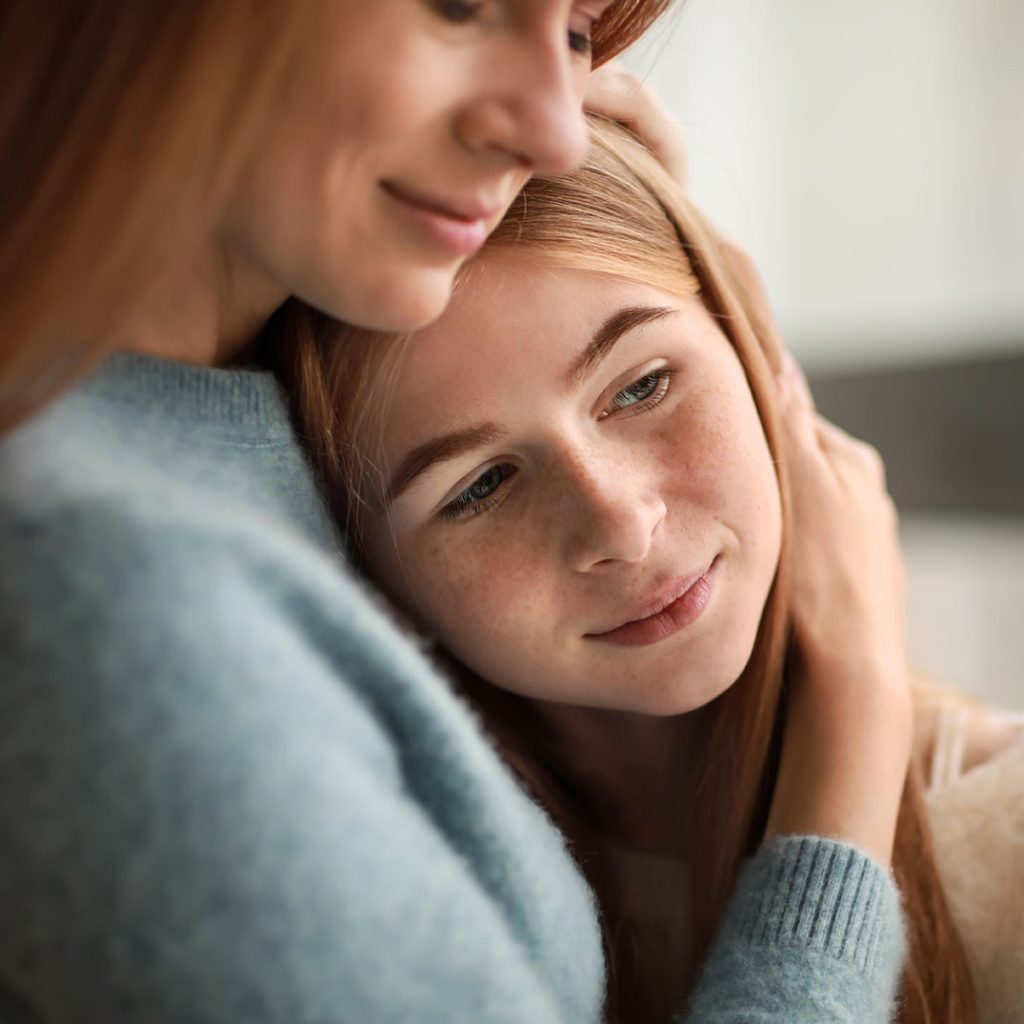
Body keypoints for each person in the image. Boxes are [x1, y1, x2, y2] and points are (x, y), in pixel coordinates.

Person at [0, 2, 913, 1021]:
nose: (558, 131)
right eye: (462, 5)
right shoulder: (96, 597)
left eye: (575, 31)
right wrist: (853, 728)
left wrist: (658, 255)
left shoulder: (227, 411)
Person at [269, 114, 983, 1023]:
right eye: (480, 486)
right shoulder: (384, 922)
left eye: (643, 385)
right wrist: (857, 689)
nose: (621, 525)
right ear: (378, 590)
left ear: (757, 354)